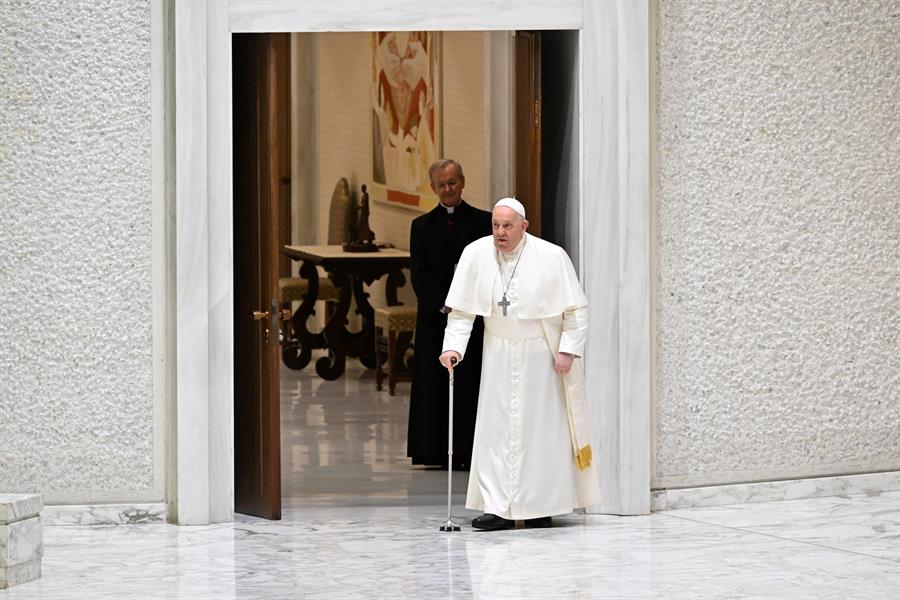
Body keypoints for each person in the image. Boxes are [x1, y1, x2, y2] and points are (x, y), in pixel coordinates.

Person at [439, 198, 601, 530]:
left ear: (523, 226)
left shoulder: (551, 256)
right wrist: (453, 348)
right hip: (497, 351)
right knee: (497, 431)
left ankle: (540, 506)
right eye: (495, 225)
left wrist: (567, 350)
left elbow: (575, 311)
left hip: (541, 354)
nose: (500, 232)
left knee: (541, 433)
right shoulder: (476, 254)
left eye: (507, 226)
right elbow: (461, 313)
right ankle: (498, 508)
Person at [407, 159, 492, 468]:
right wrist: (443, 304)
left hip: (474, 316)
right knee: (435, 383)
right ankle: (433, 450)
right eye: (441, 185)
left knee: (470, 382)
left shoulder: (484, 222)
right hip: (435, 317)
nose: (448, 189)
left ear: (463, 181)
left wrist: (468, 303)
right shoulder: (421, 226)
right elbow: (420, 272)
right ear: (433, 188)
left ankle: (470, 450)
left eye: (452, 182)